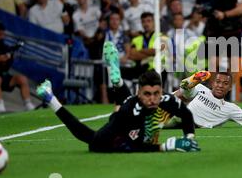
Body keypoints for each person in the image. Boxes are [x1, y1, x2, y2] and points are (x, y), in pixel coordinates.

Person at [36, 42, 200, 153]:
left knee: (126, 101)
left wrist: (189, 138)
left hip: (132, 113)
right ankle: (51, 99)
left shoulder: (166, 100)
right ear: (139, 93)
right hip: (113, 138)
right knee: (89, 137)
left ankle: (116, 79)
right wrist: (166, 146)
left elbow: (186, 114)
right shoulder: (130, 113)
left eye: (156, 93)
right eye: (147, 94)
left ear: (162, 91)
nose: (152, 98)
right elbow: (136, 146)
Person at [0, 22, 35, 113]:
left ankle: (28, 104)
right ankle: (0, 104)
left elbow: (5, 68)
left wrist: (8, 59)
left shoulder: (4, 46)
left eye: (3, 34)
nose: (2, 37)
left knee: (21, 79)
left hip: (1, 76)